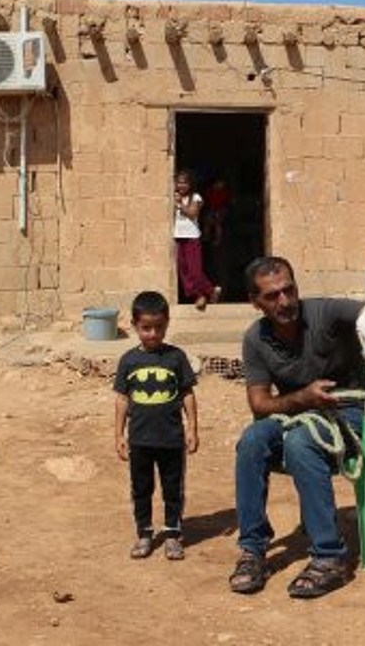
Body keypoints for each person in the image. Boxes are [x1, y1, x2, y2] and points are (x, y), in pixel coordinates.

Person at [228, 255, 365, 599]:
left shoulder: (327, 313)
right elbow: (259, 405)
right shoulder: (255, 339)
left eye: (289, 290)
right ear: (255, 302)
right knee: (251, 440)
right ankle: (252, 550)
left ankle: (329, 557)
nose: (285, 301)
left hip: (347, 412)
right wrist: (303, 398)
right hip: (296, 413)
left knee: (300, 443)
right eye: (272, 295)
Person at [113, 290, 200, 561]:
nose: (153, 334)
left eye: (159, 327)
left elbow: (187, 394)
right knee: (141, 488)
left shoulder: (176, 357)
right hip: (140, 440)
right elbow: (122, 399)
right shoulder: (129, 360)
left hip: (171, 439)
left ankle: (173, 533)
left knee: (173, 487)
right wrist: (119, 434)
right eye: (146, 328)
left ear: (167, 323)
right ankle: (144, 533)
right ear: (134, 325)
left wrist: (193, 428)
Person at [173, 170, 221, 310]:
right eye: (179, 182)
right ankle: (211, 291)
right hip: (179, 237)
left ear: (190, 184)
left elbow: (192, 214)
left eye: (184, 182)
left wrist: (180, 204)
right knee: (184, 270)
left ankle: (201, 295)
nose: (181, 185)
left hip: (192, 237)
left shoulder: (196, 197)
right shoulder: (174, 196)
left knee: (195, 270)